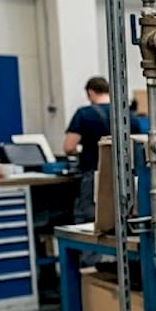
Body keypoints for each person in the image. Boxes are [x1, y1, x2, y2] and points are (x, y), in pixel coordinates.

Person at [63, 76, 112, 224]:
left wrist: (83, 151)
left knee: (89, 223)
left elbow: (69, 147)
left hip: (93, 177)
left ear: (90, 92)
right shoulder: (129, 115)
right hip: (125, 178)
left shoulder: (84, 114)